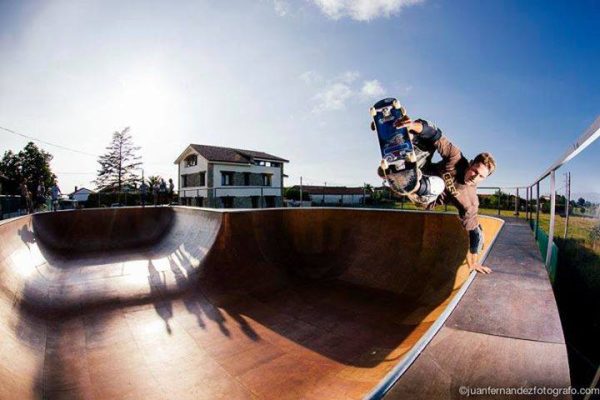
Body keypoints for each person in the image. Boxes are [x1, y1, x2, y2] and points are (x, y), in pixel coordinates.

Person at [393, 118, 496, 274]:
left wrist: (473, 263)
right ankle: (404, 142)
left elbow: (474, 232)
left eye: (481, 176)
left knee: (438, 185)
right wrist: (412, 126)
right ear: (470, 164)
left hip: (426, 198)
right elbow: (437, 137)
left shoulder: (471, 202)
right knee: (429, 128)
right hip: (421, 169)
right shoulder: (456, 158)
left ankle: (406, 180)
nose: (475, 177)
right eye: (475, 171)